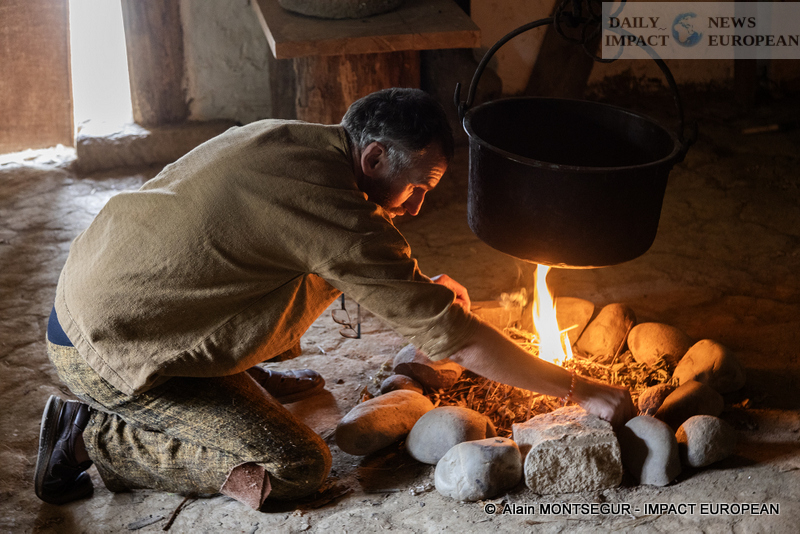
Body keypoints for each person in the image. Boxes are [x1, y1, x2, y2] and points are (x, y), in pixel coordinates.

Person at [36, 88, 635, 510]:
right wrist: (579, 389)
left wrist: (417, 290)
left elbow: (336, 252)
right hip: (109, 352)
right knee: (298, 465)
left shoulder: (296, 142)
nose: (418, 206)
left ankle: (237, 374)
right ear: (374, 156)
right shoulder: (333, 212)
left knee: (305, 274)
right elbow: (458, 339)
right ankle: (92, 435)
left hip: (102, 297)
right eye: (418, 186)